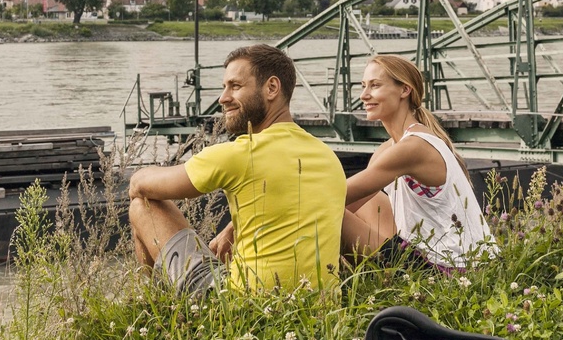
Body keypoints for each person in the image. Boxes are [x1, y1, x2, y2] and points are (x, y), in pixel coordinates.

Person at [128, 44, 346, 293]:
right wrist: (233, 227)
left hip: (242, 309)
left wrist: (139, 175)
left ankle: (159, 306)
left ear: (272, 88)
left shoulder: (240, 154)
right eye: (224, 87)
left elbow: (139, 185)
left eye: (235, 86)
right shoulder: (327, 156)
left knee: (142, 204)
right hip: (315, 310)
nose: (223, 98)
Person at [341, 55, 495, 271]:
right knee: (367, 200)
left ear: (405, 90)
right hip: (427, 252)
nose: (364, 95)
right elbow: (350, 200)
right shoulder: (390, 147)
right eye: (364, 86)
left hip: (449, 269)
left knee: (329, 213)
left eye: (375, 86)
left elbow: (336, 197)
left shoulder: (413, 147)